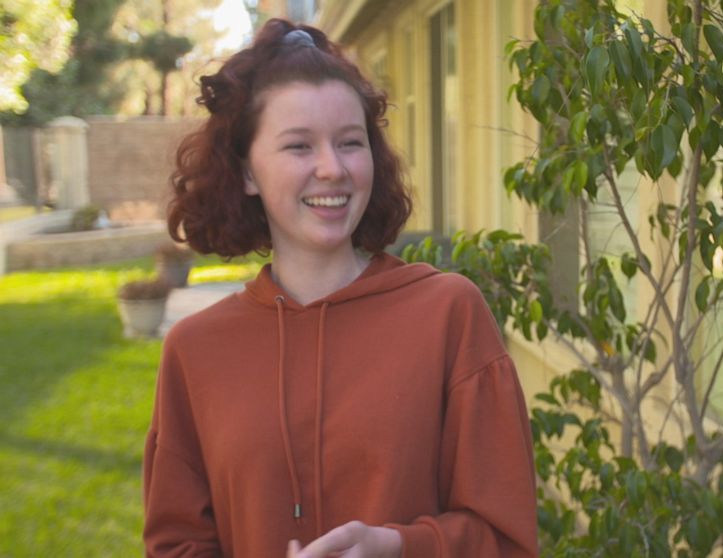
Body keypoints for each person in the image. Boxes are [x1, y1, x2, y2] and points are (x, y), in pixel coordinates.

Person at [143, 18, 538, 558]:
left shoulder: (448, 314)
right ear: (246, 174)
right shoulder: (194, 352)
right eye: (299, 147)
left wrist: (399, 547)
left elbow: (506, 538)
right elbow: (176, 545)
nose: (332, 169)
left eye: (350, 143)